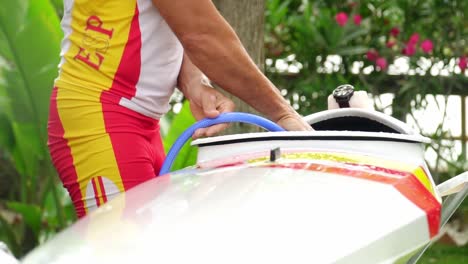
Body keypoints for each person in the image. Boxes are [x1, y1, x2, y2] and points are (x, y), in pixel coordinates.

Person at [48, 0, 312, 218]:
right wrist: (282, 113)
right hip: (100, 117)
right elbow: (201, 35)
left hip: (132, 120)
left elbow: (172, 19)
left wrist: (194, 82)